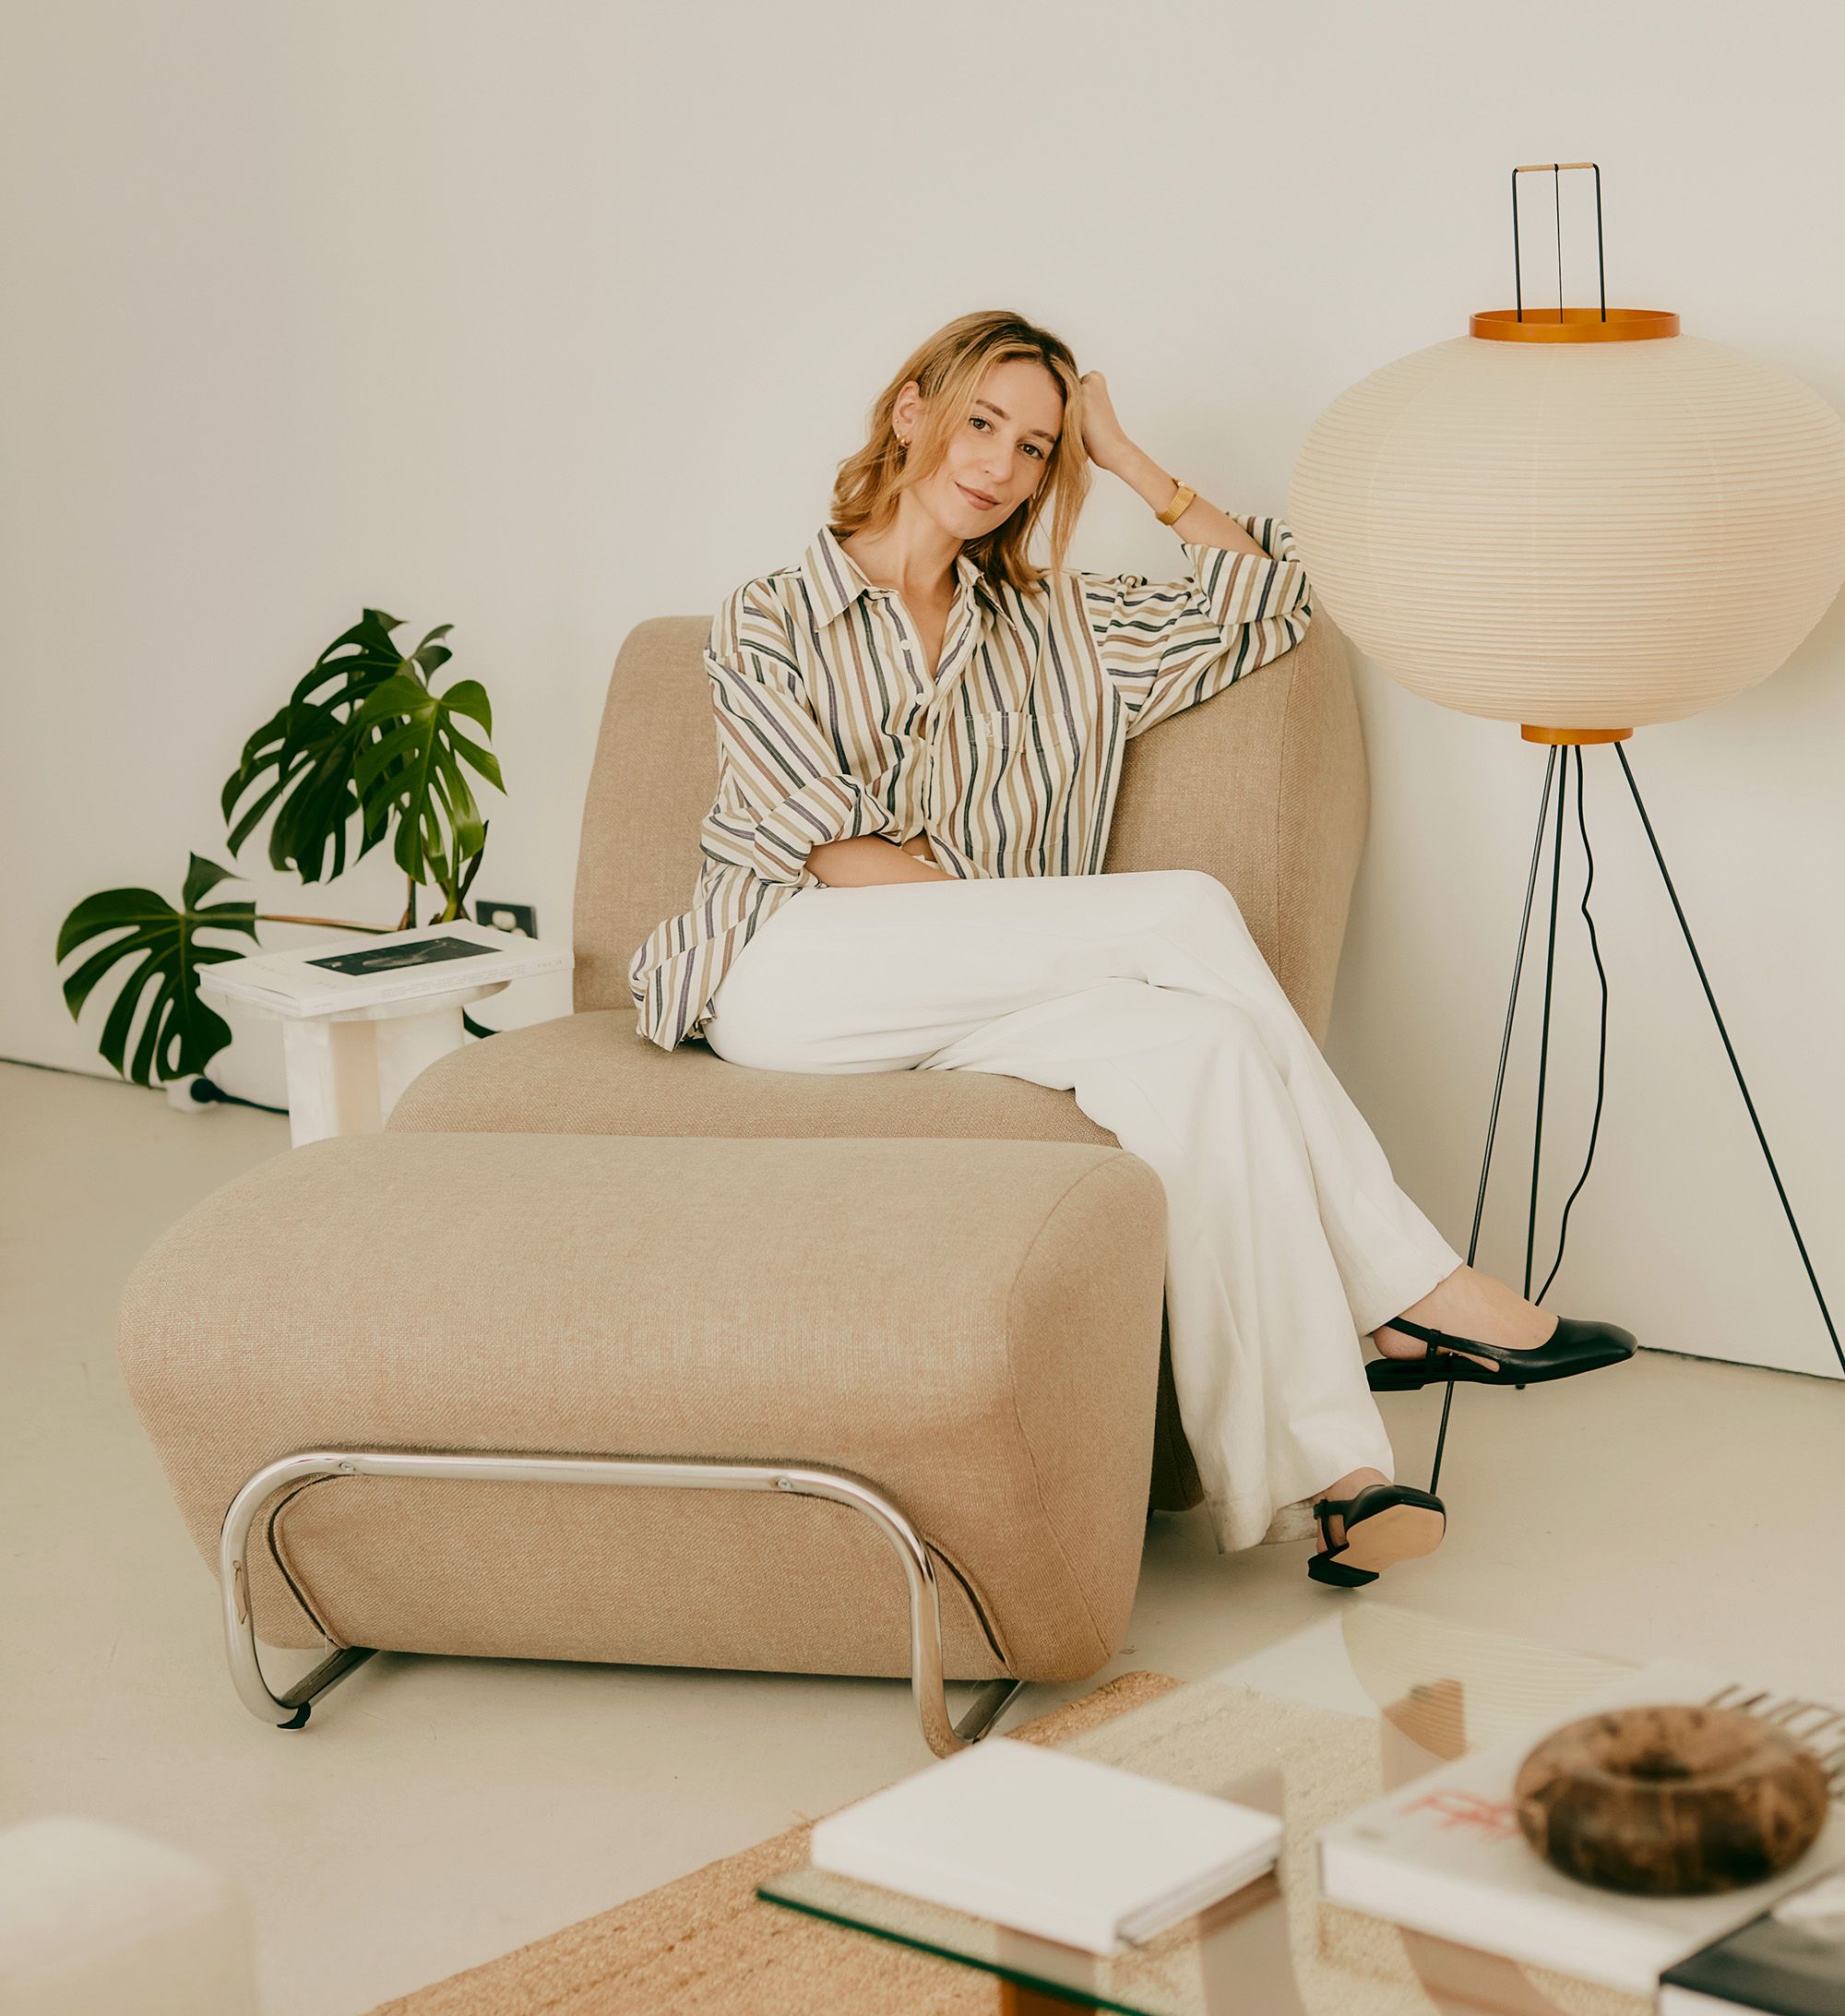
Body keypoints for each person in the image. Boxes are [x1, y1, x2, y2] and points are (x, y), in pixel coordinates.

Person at [627, 309, 1636, 1583]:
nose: (999, 464)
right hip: (789, 966)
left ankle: (1338, 1479)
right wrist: (1015, 915)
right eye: (980, 422)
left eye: (1035, 448)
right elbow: (828, 850)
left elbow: (1270, 601)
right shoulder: (770, 616)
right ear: (909, 411)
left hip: (990, 986)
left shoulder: (1065, 628)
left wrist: (1127, 459)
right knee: (1180, 912)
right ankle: (1408, 1284)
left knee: (1205, 1051)